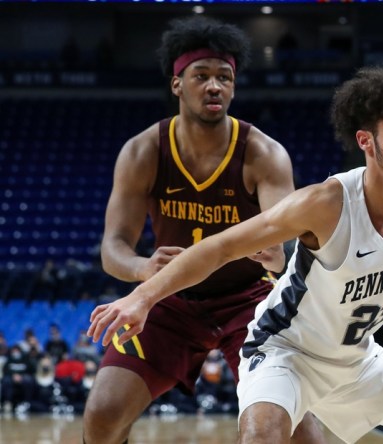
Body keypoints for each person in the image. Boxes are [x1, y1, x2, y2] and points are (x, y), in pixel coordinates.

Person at [87, 62, 383, 444]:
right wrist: (142, 297)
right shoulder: (327, 202)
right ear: (366, 140)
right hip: (284, 352)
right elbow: (221, 247)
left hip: (358, 360)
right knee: (262, 437)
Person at [81, 16, 323, 444]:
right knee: (102, 415)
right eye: (202, 76)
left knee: (300, 432)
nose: (214, 86)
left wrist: (279, 253)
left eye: (224, 77)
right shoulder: (143, 151)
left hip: (249, 303)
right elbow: (112, 247)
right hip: (169, 302)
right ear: (177, 84)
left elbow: (287, 236)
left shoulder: (264, 154)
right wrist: (141, 268)